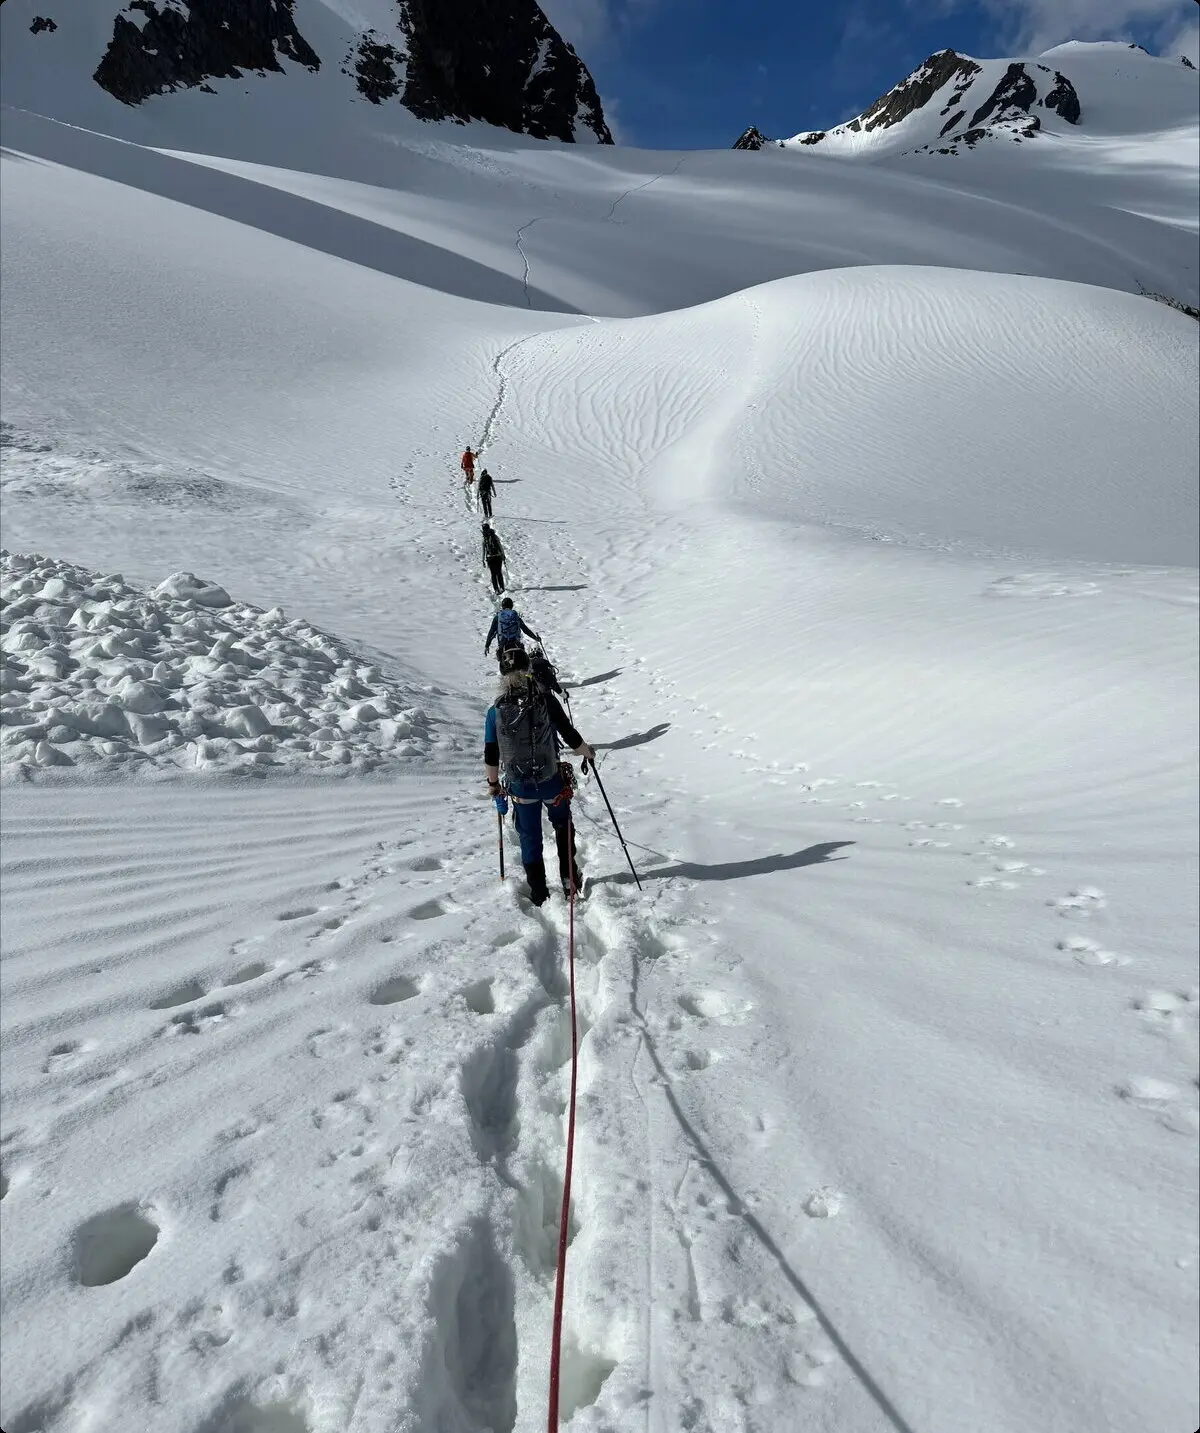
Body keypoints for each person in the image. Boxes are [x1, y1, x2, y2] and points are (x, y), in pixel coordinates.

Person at [485, 648, 594, 904]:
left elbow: (491, 754)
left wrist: (493, 785)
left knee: (529, 835)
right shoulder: (545, 700)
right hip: (552, 781)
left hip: (520, 787)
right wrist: (587, 752)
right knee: (562, 823)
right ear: (529, 670)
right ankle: (569, 879)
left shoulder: (495, 711)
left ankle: (539, 891)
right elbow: (569, 734)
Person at [485, 597, 540, 670]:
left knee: (502, 660)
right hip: (516, 643)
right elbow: (525, 629)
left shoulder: (498, 617)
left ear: (502, 606)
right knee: (523, 658)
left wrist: (487, 645)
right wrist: (535, 638)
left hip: (503, 645)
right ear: (512, 606)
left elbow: (491, 632)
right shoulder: (515, 616)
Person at [482, 522, 506, 594]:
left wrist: (482, 560)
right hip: (498, 556)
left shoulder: (484, 539)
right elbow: (500, 546)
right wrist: (503, 555)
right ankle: (502, 587)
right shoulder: (495, 536)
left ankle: (496, 589)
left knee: (493, 574)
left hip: (490, 558)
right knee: (499, 573)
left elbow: (484, 551)